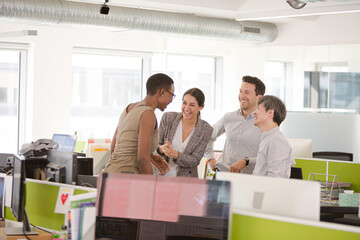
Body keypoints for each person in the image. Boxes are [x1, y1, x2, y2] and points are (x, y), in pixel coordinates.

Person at [103, 73, 174, 174]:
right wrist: (151, 187)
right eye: (172, 95)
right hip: (127, 178)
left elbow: (114, 146)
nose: (171, 100)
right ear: (162, 92)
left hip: (110, 174)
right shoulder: (148, 114)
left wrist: (151, 157)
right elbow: (142, 160)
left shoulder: (129, 108)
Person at [204, 75, 265, 174]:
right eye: (240, 91)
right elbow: (208, 136)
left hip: (248, 179)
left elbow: (268, 156)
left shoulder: (265, 122)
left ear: (259, 98)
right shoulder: (229, 117)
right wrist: (210, 159)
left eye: (247, 92)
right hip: (222, 174)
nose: (242, 96)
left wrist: (247, 161)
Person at [155, 88, 213, 178]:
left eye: (192, 105)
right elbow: (155, 147)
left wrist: (174, 154)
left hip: (186, 181)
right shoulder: (168, 118)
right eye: (184, 103)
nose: (186, 108)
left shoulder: (206, 129)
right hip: (161, 176)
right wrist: (162, 149)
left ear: (201, 107)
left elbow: (195, 160)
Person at [253, 95, 295, 178]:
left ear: (270, 113)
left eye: (258, 108)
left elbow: (276, 179)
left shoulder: (276, 140)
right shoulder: (268, 137)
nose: (254, 112)